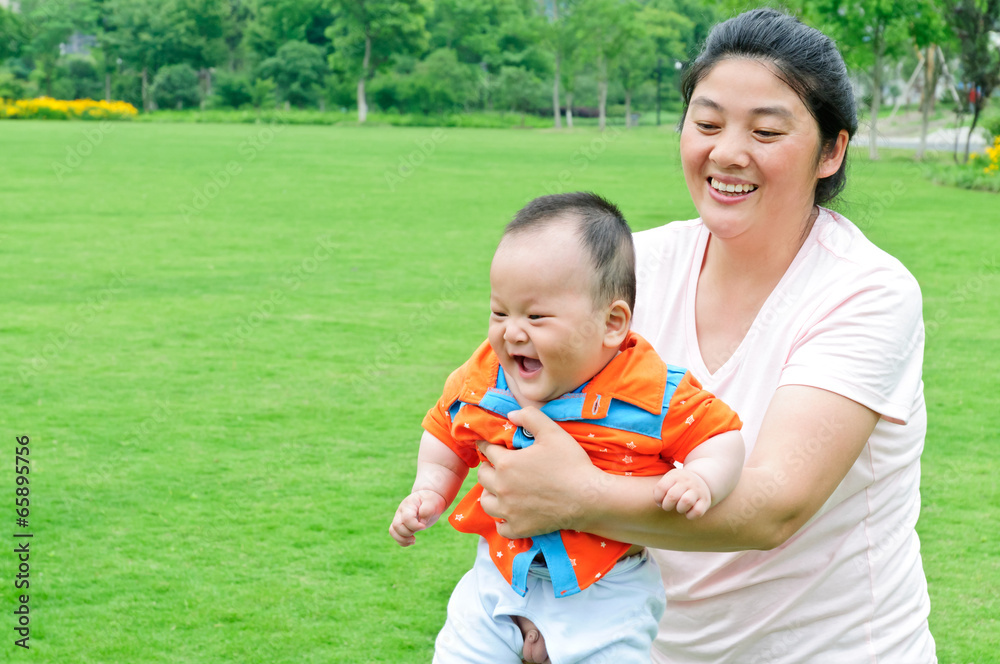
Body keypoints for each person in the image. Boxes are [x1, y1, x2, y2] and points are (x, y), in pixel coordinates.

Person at [471, 9, 938, 663]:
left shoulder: (865, 292)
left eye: (766, 130)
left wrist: (578, 496)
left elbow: (773, 506)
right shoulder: (630, 271)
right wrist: (553, 623)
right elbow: (532, 415)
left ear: (832, 150)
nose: (726, 152)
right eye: (708, 123)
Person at [390, 192, 745, 663]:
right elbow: (445, 426)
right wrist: (429, 489)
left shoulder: (650, 389)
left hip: (605, 593)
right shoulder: (486, 373)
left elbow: (721, 436)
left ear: (612, 324)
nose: (512, 332)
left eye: (536, 317)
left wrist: (701, 476)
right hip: (496, 580)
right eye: (500, 312)